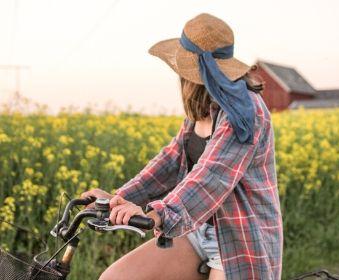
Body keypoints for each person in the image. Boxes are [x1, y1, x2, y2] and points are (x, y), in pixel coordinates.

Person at [81, 13, 283, 280]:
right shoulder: (202, 107)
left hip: (239, 236)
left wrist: (158, 214)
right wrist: (117, 199)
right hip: (196, 231)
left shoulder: (244, 110)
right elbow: (170, 162)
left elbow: (212, 176)